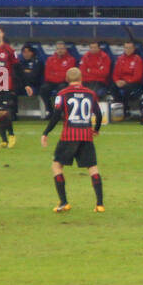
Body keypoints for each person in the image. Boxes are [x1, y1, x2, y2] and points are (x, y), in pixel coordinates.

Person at [41, 67, 104, 213]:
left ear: (67, 79)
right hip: (86, 136)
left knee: (57, 166)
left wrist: (46, 132)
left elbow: (56, 115)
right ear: (81, 78)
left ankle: (64, 202)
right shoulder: (90, 94)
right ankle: (100, 204)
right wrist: (96, 129)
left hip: (69, 136)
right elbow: (99, 114)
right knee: (93, 168)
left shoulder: (62, 94)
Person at [111, 41, 143, 119]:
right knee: (113, 87)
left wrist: (126, 82)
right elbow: (115, 74)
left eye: (130, 48)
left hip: (134, 83)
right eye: (126, 48)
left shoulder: (137, 59)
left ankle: (126, 111)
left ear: (133, 49)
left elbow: (138, 76)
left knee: (127, 90)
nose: (128, 50)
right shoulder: (120, 59)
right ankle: (119, 111)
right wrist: (117, 81)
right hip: (121, 82)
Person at [42, 41, 77, 109]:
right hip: (51, 82)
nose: (60, 50)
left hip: (64, 82)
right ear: (56, 50)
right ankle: (50, 111)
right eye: (58, 49)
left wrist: (56, 74)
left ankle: (62, 110)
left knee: (62, 88)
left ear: (65, 50)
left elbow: (69, 75)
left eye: (62, 49)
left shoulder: (71, 60)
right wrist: (59, 75)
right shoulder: (50, 59)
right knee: (43, 89)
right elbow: (47, 75)